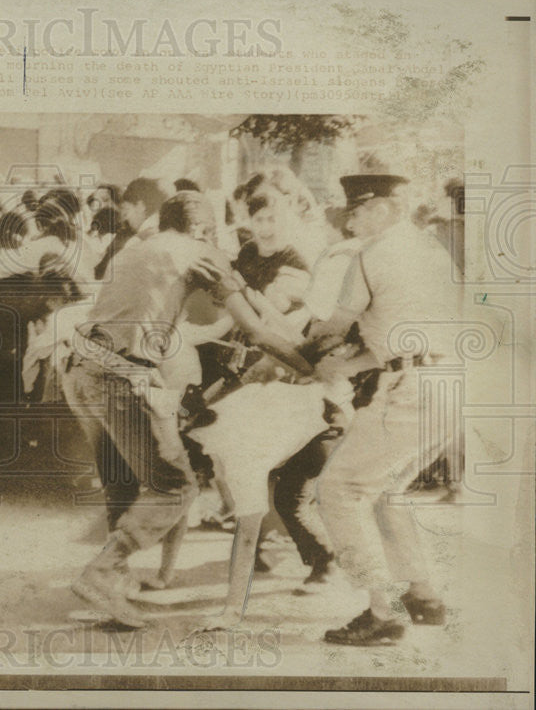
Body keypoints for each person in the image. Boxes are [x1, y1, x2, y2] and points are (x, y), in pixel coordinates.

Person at [61, 190, 313, 628]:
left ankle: (112, 577)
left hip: (83, 372)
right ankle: (102, 573)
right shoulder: (201, 252)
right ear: (201, 228)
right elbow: (255, 330)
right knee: (174, 487)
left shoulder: (136, 249)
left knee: (139, 482)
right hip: (121, 379)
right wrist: (311, 368)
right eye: (211, 231)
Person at [315, 174, 458, 645]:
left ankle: (384, 610)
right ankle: (424, 594)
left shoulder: (371, 255)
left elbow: (330, 328)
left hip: (409, 388)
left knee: (338, 489)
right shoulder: (429, 249)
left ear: (382, 208)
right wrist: (347, 363)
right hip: (446, 381)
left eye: (357, 209)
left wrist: (306, 344)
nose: (350, 218)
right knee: (386, 491)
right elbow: (390, 341)